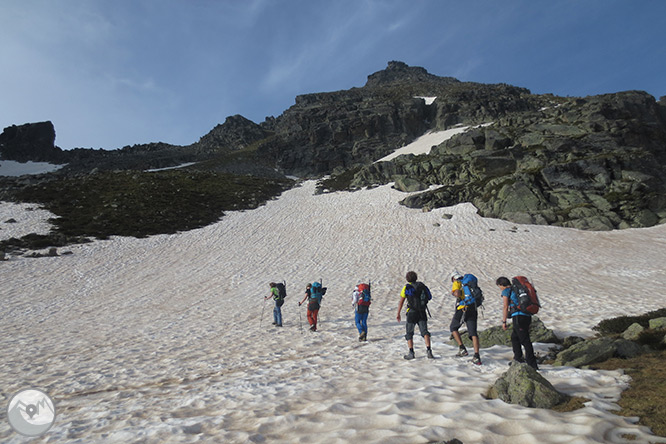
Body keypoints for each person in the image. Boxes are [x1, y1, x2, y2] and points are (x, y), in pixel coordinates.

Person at [496, 276, 538, 370]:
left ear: (502, 285)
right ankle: (518, 358)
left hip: (518, 316)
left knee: (525, 340)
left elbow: (505, 306)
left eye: (499, 286)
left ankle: (532, 364)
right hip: (527, 316)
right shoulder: (517, 289)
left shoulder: (506, 291)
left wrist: (504, 321)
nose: (500, 289)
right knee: (514, 337)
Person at [396, 271, 434, 360]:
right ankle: (429, 350)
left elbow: (401, 301)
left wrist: (398, 313)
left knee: (409, 333)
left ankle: (411, 352)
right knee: (425, 331)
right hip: (422, 311)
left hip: (411, 312)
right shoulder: (422, 286)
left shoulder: (407, 287)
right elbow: (429, 297)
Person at [449, 270, 482, 365]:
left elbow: (457, 294)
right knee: (473, 332)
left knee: (453, 327)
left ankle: (462, 349)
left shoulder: (457, 283)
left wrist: (455, 293)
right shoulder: (469, 283)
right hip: (473, 308)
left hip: (463, 308)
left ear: (453, 278)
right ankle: (477, 356)